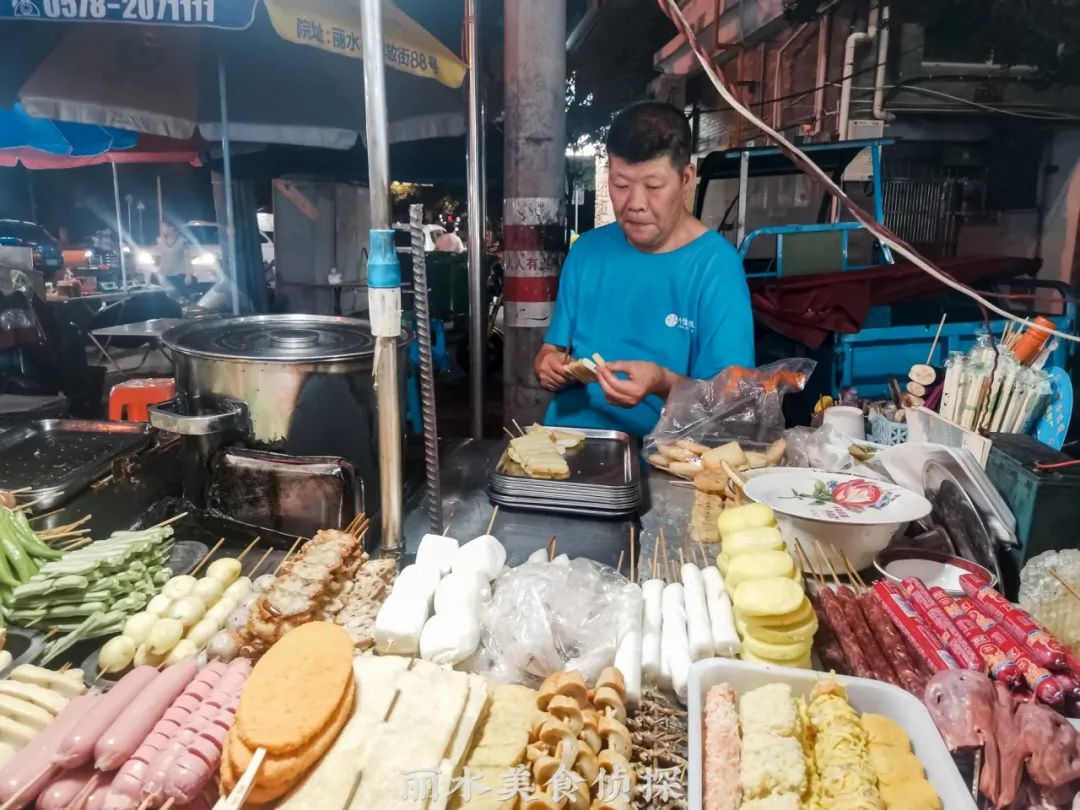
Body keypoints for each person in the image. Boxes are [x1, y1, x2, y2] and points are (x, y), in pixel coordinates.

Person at [533, 101, 754, 437]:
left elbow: (733, 401)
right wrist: (548, 365)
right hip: (568, 444)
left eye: (652, 187)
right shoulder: (587, 252)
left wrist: (662, 383)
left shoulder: (715, 266)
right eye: (620, 185)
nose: (634, 203)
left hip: (660, 457)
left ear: (686, 179)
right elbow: (554, 350)